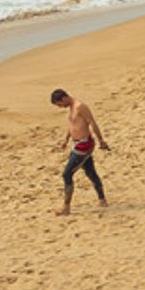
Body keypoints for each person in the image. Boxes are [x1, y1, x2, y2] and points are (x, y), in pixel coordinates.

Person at [51, 89, 109, 217]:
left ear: (63, 98)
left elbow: (92, 123)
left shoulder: (80, 106)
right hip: (77, 144)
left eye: (59, 104)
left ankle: (66, 207)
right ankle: (102, 199)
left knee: (66, 174)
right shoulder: (71, 108)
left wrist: (101, 141)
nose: (61, 107)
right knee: (90, 171)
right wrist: (66, 139)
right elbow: (72, 125)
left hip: (84, 145)